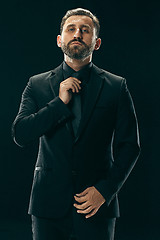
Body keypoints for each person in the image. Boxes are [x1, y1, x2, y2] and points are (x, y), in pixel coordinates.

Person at [12, 8, 140, 240]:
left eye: (85, 30)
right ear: (60, 40)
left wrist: (104, 191)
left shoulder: (116, 86)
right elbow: (21, 133)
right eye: (71, 29)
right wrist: (59, 104)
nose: (77, 34)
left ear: (97, 43)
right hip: (47, 206)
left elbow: (130, 146)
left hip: (96, 205)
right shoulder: (36, 84)